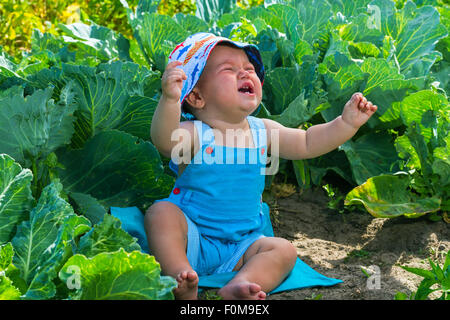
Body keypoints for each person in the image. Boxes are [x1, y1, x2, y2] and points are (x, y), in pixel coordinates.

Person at [145, 32, 377, 300]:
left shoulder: (262, 131)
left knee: (283, 250)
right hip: (192, 237)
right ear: (196, 96)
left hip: (243, 246)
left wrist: (346, 124)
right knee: (161, 214)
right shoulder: (197, 133)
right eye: (229, 70)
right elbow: (165, 141)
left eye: (250, 69)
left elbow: (307, 142)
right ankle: (181, 275)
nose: (245, 74)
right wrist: (170, 100)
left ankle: (242, 283)